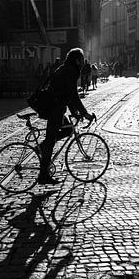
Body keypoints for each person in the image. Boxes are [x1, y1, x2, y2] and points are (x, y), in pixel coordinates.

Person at [38, 48, 94, 185]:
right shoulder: (71, 71)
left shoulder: (66, 69)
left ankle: (43, 146)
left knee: (68, 130)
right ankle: (43, 176)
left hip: (56, 107)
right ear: (76, 60)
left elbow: (67, 95)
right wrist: (84, 113)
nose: (82, 63)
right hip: (54, 109)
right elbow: (73, 95)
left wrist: (75, 113)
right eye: (81, 60)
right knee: (50, 142)